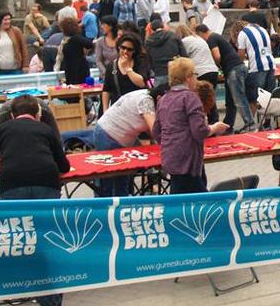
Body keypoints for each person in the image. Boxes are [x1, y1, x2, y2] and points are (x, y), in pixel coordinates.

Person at [0, 94, 68, 306]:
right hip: (46, 184)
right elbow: (64, 166)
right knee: (44, 236)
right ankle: (48, 291)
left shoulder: (4, 129)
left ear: (12, 114)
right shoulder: (46, 130)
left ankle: (20, 282)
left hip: (12, 185)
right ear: (38, 113)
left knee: (18, 236)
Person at [153, 58, 229, 194]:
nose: (196, 78)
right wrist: (215, 127)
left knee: (180, 193)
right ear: (188, 77)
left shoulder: (164, 99)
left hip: (169, 156)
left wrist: (169, 142)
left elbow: (156, 131)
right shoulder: (190, 98)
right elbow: (199, 131)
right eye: (194, 74)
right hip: (187, 158)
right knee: (198, 198)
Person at [91, 87, 158, 196]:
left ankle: (121, 203)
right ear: (159, 97)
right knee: (107, 182)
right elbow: (155, 130)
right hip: (108, 135)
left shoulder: (144, 95)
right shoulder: (146, 100)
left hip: (120, 138)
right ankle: (104, 205)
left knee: (122, 180)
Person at [198, 23, 253, 132]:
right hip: (237, 67)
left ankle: (250, 124)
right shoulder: (217, 36)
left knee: (238, 99)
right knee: (231, 100)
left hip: (233, 69)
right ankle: (228, 125)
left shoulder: (211, 38)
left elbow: (217, 56)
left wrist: (217, 65)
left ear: (201, 33)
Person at [238, 19, 275, 124]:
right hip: (270, 64)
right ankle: (267, 122)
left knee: (253, 97)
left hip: (257, 67)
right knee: (268, 96)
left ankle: (250, 124)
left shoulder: (243, 33)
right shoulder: (263, 29)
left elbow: (241, 55)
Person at [102, 32, 149, 109]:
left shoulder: (140, 62)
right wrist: (105, 109)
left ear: (134, 51)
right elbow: (106, 89)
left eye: (129, 49)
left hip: (137, 107)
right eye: (123, 48)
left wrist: (127, 69)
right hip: (118, 108)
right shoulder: (112, 66)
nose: (125, 51)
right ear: (119, 47)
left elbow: (141, 83)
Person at [55, 15, 93, 85]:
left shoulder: (75, 39)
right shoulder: (69, 39)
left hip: (77, 69)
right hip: (74, 68)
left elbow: (90, 44)